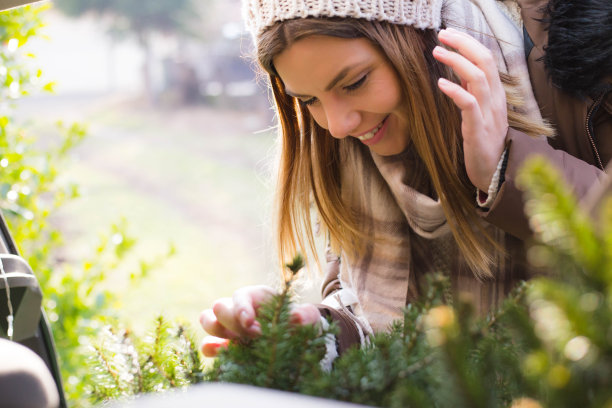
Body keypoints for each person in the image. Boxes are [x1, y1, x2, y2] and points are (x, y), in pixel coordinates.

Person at [199, 0, 605, 357]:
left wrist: (505, 166)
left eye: (355, 82)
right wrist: (318, 333)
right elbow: (382, 327)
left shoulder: (586, 53)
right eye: (309, 100)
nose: (338, 125)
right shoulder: (355, 144)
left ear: (421, 42)